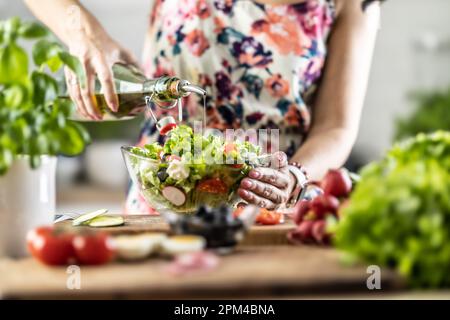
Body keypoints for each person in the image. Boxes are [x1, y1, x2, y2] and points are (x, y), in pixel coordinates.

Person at [25, 0, 381, 214]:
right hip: (165, 200)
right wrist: (84, 33)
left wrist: (295, 177)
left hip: (270, 202)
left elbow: (335, 127)